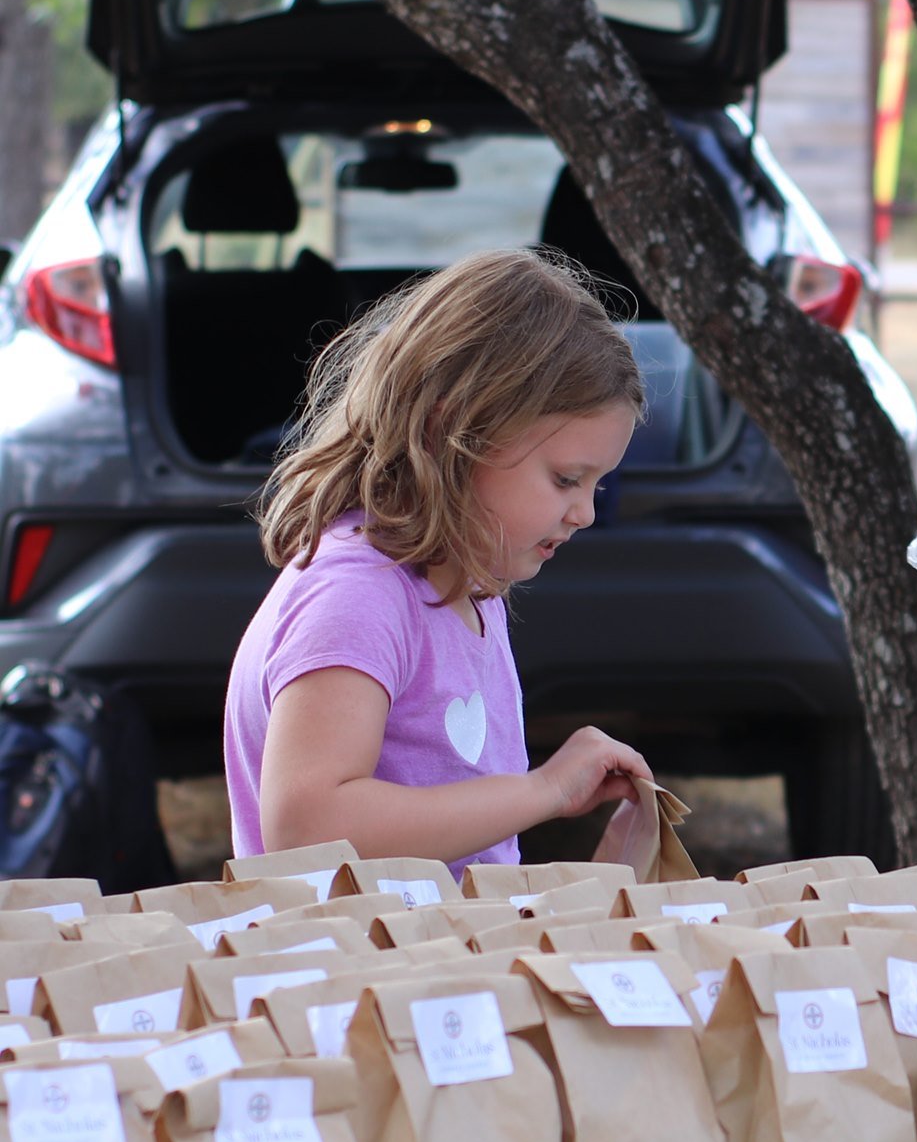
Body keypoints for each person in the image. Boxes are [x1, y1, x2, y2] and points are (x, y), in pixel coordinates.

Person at [224, 247, 654, 874]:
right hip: (360, 970)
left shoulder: (471, 591)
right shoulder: (358, 592)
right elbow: (306, 828)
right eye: (566, 478)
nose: (585, 513)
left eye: (597, 485)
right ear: (452, 432)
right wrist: (541, 791)